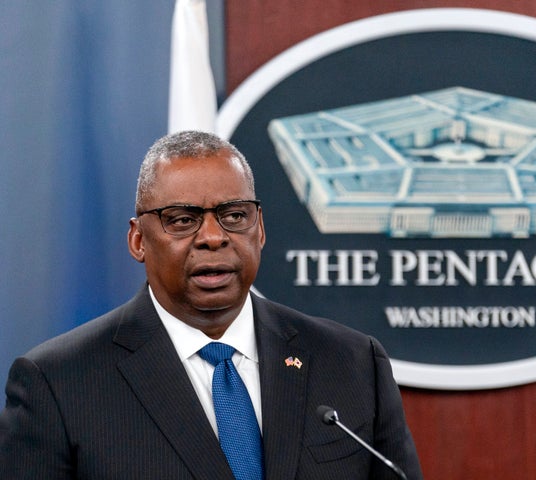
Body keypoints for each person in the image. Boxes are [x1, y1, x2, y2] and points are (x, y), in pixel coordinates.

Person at [0, 131, 423, 479]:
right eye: (182, 219)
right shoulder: (58, 384)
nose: (213, 237)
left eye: (234, 215)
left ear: (260, 230)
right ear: (138, 240)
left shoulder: (351, 363)